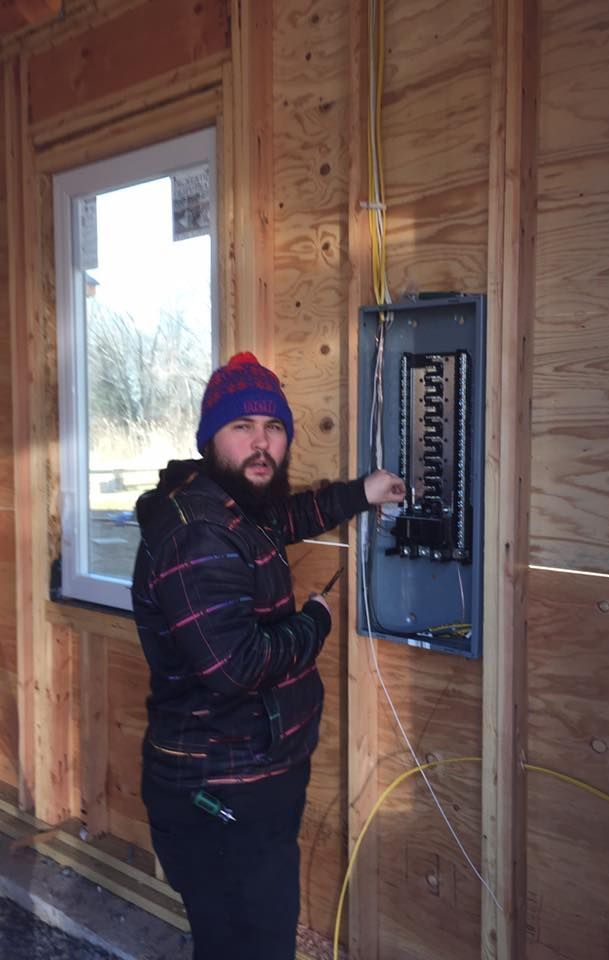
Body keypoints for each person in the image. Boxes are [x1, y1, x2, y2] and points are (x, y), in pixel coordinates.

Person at [131, 351, 404, 960]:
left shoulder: (228, 508)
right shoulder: (195, 532)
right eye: (242, 427)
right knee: (250, 946)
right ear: (211, 439)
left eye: (273, 428)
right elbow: (236, 668)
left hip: (251, 779)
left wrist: (364, 492)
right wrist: (315, 622)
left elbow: (283, 517)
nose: (261, 444)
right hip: (218, 792)